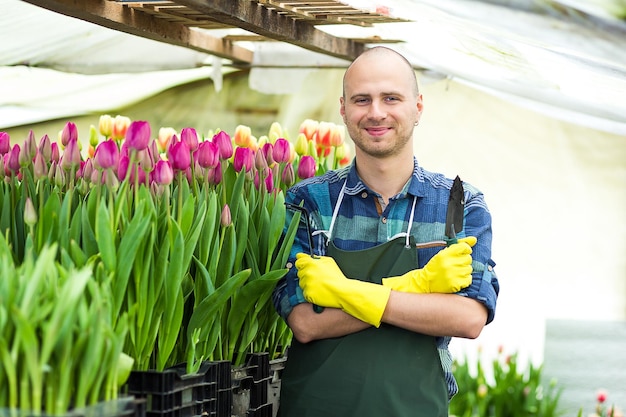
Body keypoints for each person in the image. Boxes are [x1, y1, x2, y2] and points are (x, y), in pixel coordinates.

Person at [271, 46, 499, 417]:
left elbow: (468, 318)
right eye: (362, 100)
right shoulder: (307, 201)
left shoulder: (459, 204)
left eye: (390, 98)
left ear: (418, 107)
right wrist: (420, 288)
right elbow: (306, 323)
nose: (376, 112)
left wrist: (342, 292)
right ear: (343, 109)